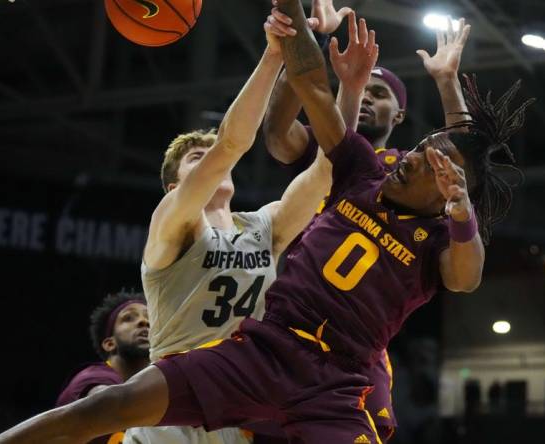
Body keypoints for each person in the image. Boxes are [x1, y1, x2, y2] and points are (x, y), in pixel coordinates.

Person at [0, 0, 532, 441]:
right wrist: (300, 28)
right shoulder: (361, 167)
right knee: (106, 407)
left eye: (386, 96)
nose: (414, 155)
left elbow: (467, 240)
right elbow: (286, 118)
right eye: (419, 148)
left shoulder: (441, 229)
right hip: (260, 348)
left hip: (341, 376)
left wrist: (446, 91)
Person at [125, 7, 377, 444]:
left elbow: (326, 172)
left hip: (238, 408)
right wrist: (273, 55)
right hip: (171, 403)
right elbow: (231, 143)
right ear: (173, 186)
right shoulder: (173, 220)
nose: (210, 161)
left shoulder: (264, 225)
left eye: (208, 156)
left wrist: (350, 90)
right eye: (194, 159)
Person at [263, 7, 472, 440]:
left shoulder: (404, 173)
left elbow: (466, 157)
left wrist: (448, 83)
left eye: (381, 94)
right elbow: (277, 135)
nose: (369, 98)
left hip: (355, 341)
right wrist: (315, 38)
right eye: (365, 88)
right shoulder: (331, 153)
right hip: (288, 311)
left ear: (398, 119)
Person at [55, 292, 150, 444]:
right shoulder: (94, 376)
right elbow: (105, 400)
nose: (144, 321)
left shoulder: (149, 389)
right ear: (109, 343)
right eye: (128, 318)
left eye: (150, 318)